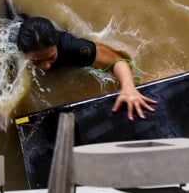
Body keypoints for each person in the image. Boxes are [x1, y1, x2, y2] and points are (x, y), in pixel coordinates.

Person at [15, 15, 157, 120]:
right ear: (23, 54)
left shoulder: (73, 47)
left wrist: (128, 88)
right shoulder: (11, 52)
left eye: (51, 57)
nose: (46, 66)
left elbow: (117, 61)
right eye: (37, 62)